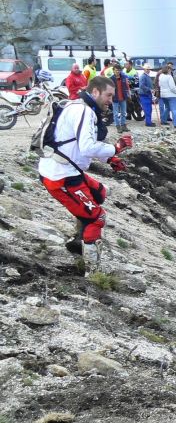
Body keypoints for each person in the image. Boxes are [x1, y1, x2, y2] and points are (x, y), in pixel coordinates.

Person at [37, 75, 132, 276]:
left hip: (64, 169)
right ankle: (92, 271)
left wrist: (109, 159)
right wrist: (114, 149)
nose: (110, 100)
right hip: (61, 176)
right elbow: (87, 146)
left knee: (100, 194)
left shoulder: (76, 106)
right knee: (97, 217)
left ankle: (80, 240)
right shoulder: (84, 111)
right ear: (95, 92)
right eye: (108, 95)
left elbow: (73, 146)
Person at [110, 65, 130, 133]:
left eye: (119, 70)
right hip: (115, 98)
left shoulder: (123, 77)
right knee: (115, 113)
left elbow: (127, 86)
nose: (118, 71)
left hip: (123, 97)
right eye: (116, 70)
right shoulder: (111, 79)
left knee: (123, 113)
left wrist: (128, 94)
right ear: (113, 70)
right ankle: (118, 126)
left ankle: (123, 125)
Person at [138, 63, 155, 128]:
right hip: (144, 95)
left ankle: (149, 121)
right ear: (144, 69)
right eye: (147, 69)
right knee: (147, 109)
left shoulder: (147, 76)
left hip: (147, 94)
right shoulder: (143, 76)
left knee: (149, 109)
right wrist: (150, 89)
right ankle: (148, 122)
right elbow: (141, 86)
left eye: (149, 69)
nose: (148, 70)